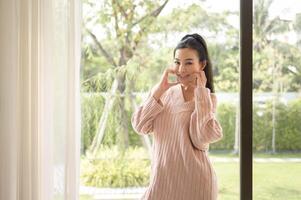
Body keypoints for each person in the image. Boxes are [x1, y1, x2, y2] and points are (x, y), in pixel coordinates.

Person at [131, 33, 223, 200]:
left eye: (188, 63)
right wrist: (160, 89)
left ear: (202, 65)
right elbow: (140, 125)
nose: (181, 69)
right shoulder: (163, 94)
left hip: (196, 186)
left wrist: (201, 92)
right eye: (177, 62)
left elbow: (201, 139)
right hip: (162, 183)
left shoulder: (207, 99)